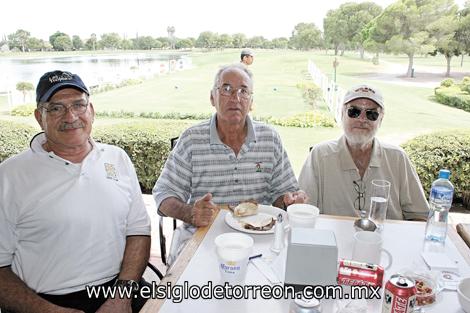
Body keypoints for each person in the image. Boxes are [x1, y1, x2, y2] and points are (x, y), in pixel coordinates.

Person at [0, 70, 151, 313]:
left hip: (120, 288)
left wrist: (121, 297)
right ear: (40, 117)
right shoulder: (9, 176)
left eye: (78, 105)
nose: (70, 116)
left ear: (91, 110)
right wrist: (48, 311)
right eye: (56, 108)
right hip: (46, 301)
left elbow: (138, 231)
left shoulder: (117, 158)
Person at [153, 64, 306, 262]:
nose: (236, 98)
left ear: (251, 101)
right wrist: (191, 213)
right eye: (226, 89)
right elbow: (163, 195)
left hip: (259, 240)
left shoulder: (270, 139)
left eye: (243, 91)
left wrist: (289, 200)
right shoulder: (192, 140)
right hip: (202, 238)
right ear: (212, 97)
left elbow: (281, 195)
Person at [298, 84, 429, 220]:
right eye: (354, 111)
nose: (362, 119)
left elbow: (420, 216)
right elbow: (303, 210)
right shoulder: (320, 156)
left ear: (380, 120)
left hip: (386, 239)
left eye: (371, 114)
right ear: (342, 114)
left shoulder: (397, 158)